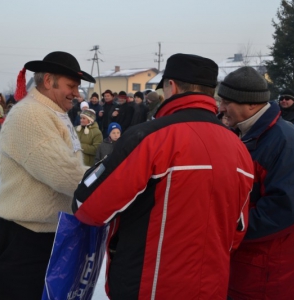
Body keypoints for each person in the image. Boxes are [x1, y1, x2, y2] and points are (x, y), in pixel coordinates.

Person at [72, 53, 254, 299]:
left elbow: (87, 206)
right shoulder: (238, 147)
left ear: (172, 86)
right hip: (211, 285)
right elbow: (237, 232)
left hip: (150, 284)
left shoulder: (150, 137)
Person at [0, 51, 94, 300]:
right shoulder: (31, 115)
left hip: (48, 234)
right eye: (71, 86)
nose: (77, 94)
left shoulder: (51, 112)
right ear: (48, 81)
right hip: (25, 237)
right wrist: (111, 181)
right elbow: (64, 174)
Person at [218, 66, 294, 300]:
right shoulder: (245, 133)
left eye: (226, 102)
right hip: (245, 265)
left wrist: (227, 231)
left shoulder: (282, 142)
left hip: (265, 272)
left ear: (250, 104)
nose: (220, 108)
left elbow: (286, 210)